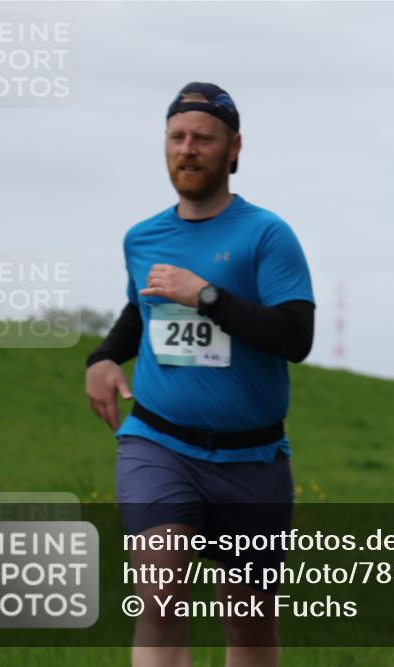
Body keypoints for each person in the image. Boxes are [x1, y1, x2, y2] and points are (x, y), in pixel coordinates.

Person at [84, 82, 315, 667]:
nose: (188, 149)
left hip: (253, 459)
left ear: (233, 149)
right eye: (176, 137)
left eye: (203, 139)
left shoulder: (267, 235)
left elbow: (296, 337)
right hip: (159, 444)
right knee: (160, 601)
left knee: (249, 626)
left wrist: (207, 295)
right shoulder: (143, 237)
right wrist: (104, 358)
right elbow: (143, 309)